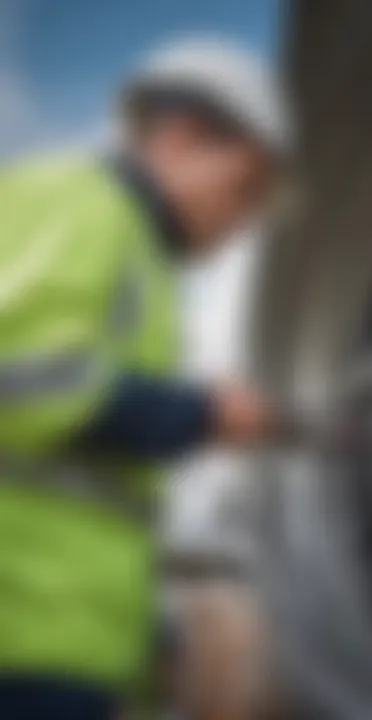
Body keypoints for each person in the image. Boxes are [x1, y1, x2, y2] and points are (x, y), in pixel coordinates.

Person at [0, 38, 290, 720]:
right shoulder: (77, 201)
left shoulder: (147, 270)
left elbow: (100, 498)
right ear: (183, 138)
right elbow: (23, 381)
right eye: (244, 187)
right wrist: (204, 414)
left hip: (70, 651)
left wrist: (150, 639)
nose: (242, 220)